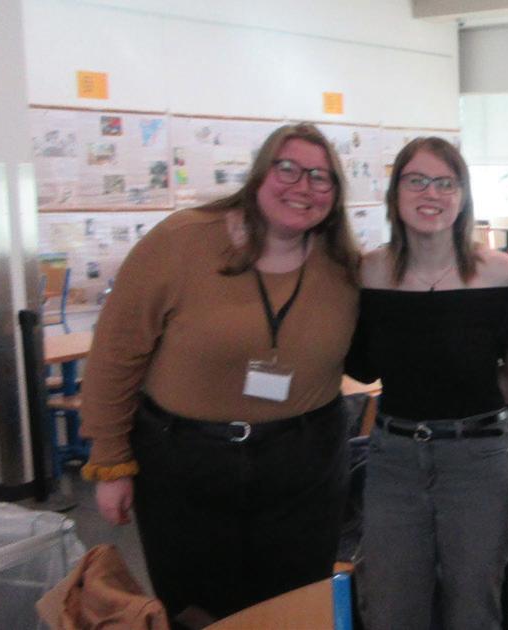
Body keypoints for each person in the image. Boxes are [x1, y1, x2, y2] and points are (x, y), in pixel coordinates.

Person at [80, 123, 361, 623]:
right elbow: (115, 355)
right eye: (288, 169)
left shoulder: (344, 265)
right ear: (260, 174)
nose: (303, 187)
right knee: (197, 610)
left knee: (294, 608)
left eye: (321, 177)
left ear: (335, 194)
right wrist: (111, 461)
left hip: (304, 467)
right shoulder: (183, 241)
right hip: (187, 464)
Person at [345, 137, 508, 630]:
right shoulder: (370, 272)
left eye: (446, 183)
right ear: (395, 192)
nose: (432, 193)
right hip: (394, 458)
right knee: (391, 606)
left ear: (463, 196)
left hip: (478, 458)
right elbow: (361, 366)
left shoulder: (501, 275)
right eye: (417, 180)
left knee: (473, 606)